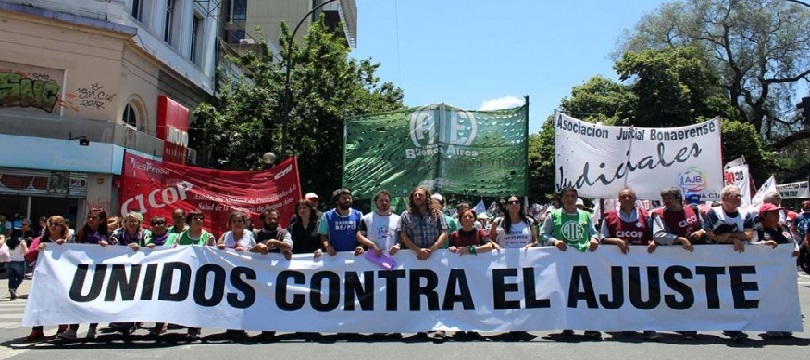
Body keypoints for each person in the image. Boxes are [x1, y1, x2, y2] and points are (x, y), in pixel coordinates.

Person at [600, 188, 660, 341]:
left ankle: (648, 327)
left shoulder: (645, 216)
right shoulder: (610, 217)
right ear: (618, 200)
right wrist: (617, 241)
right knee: (623, 295)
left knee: (645, 295)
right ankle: (627, 324)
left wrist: (653, 241)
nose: (627, 199)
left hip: (642, 263)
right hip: (618, 263)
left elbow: (653, 236)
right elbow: (602, 237)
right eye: (623, 197)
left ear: (635, 199)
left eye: (630, 196)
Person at [541, 187, 600, 339]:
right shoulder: (553, 215)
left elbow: (594, 233)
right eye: (566, 196)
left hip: (584, 260)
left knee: (586, 293)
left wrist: (594, 240)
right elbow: (543, 234)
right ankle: (568, 324)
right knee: (566, 292)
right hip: (563, 260)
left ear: (576, 198)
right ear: (561, 199)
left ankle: (589, 326)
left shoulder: (586, 215)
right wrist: (554, 241)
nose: (569, 199)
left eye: (572, 196)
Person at [704, 185, 754, 343]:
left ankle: (734, 326)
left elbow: (748, 234)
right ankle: (729, 326)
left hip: (740, 261)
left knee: (738, 294)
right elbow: (712, 235)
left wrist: (729, 235)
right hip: (718, 260)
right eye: (734, 196)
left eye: (739, 196)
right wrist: (735, 239)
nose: (738, 198)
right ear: (724, 199)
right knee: (721, 294)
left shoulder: (746, 213)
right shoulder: (714, 213)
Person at [397, 187, 448, 341]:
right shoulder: (406, 215)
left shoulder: (437, 214)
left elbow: (444, 232)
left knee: (438, 293)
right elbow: (403, 236)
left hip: (435, 258)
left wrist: (431, 250)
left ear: (427, 197)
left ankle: (439, 327)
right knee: (418, 294)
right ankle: (420, 327)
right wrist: (418, 251)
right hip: (414, 259)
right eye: (415, 195)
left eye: (421, 194)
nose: (418, 197)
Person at [650, 186, 701, 340]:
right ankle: (679, 325)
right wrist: (679, 239)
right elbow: (658, 235)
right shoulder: (660, 214)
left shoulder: (694, 210)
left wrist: (701, 232)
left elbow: (703, 227)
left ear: (678, 198)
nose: (666, 202)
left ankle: (691, 326)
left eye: (669, 199)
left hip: (694, 258)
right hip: (672, 260)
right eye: (664, 199)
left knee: (696, 293)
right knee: (676, 294)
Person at [753, 202, 799, 338]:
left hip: (785, 271)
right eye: (772, 213)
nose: (776, 215)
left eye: (777, 212)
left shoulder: (784, 227)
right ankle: (771, 325)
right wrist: (762, 244)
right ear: (764, 215)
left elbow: (793, 242)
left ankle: (785, 324)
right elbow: (750, 246)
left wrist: (796, 249)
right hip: (767, 270)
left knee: (786, 297)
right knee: (770, 298)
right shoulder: (759, 228)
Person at [23, 216, 72, 341]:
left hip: (62, 277)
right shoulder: (40, 240)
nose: (53, 226)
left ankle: (62, 328)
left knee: (61, 302)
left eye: (57, 224)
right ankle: (37, 329)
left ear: (63, 227)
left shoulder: (69, 240)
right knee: (39, 302)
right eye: (51, 224)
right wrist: (37, 250)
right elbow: (28, 256)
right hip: (42, 277)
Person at [216, 211, 257, 339]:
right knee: (229, 299)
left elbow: (256, 251)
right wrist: (220, 246)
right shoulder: (226, 235)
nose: (237, 224)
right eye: (234, 221)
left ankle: (241, 327)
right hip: (229, 272)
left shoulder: (250, 235)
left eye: (240, 221)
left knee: (243, 299)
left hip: (246, 273)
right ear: (230, 224)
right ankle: (230, 327)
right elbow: (217, 246)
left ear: (245, 223)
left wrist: (245, 250)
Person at [72, 208, 111, 339]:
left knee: (94, 301)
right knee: (76, 300)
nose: (90, 220)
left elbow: (117, 251)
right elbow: (71, 249)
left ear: (101, 220)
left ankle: (92, 328)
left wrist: (108, 247)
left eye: (94, 218)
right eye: (89, 217)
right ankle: (72, 329)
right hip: (82, 271)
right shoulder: (80, 234)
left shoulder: (109, 235)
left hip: (99, 272)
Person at [318, 189, 363, 256]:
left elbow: (363, 234)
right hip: (334, 256)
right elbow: (323, 235)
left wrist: (361, 246)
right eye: (344, 198)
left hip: (354, 256)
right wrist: (327, 246)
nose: (347, 200)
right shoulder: (327, 216)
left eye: (349, 198)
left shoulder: (358, 215)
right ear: (337, 200)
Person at [357, 190, 401, 257]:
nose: (384, 202)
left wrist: (398, 245)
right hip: (373, 259)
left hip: (394, 258)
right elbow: (359, 236)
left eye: (387, 200)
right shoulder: (366, 218)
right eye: (381, 200)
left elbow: (403, 237)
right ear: (376, 202)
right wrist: (372, 245)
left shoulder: (398, 219)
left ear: (390, 202)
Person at [3, 221, 29, 300]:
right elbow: (25, 252)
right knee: (21, 277)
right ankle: (13, 288)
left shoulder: (7, 240)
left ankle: (12, 293)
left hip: (8, 261)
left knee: (11, 278)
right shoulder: (22, 242)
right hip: (19, 261)